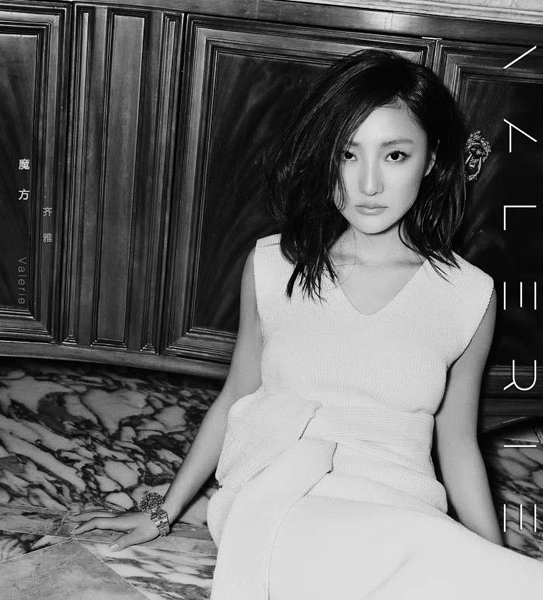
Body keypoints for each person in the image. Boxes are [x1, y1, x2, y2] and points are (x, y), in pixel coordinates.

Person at [69, 49, 543, 598]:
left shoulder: (467, 295)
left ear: (432, 160)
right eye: (348, 153)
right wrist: (163, 511)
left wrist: (491, 557)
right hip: (280, 500)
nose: (368, 184)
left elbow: (457, 444)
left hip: (403, 509)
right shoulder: (275, 266)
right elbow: (236, 396)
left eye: (394, 155)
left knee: (442, 564)